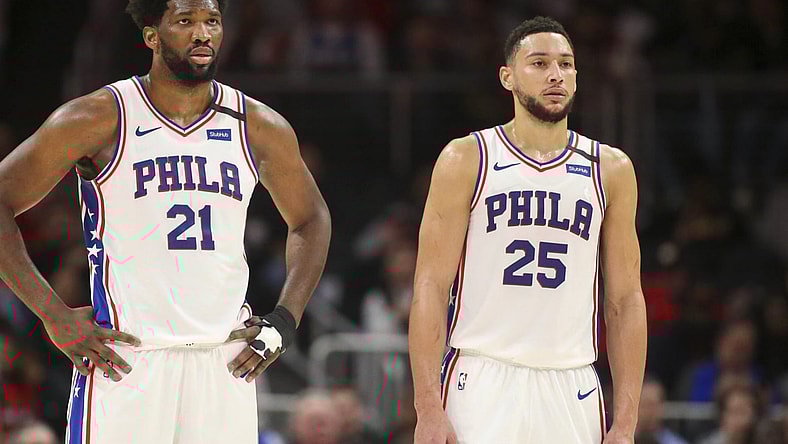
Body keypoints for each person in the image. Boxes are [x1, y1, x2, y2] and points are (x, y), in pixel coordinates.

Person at [0, 0, 331, 443]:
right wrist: (51, 314)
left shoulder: (258, 125)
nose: (203, 34)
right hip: (128, 359)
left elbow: (311, 218)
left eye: (212, 21)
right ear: (151, 35)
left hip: (225, 359)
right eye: (185, 21)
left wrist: (286, 320)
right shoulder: (98, 117)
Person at [408, 16, 647, 443]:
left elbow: (626, 300)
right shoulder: (467, 158)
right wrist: (427, 407)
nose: (556, 74)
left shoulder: (610, 169)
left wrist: (626, 424)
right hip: (481, 375)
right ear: (507, 76)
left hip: (571, 381)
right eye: (539, 63)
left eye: (566, 64)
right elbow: (429, 284)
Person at [635, 377, 688, 444]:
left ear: (662, 406)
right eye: (643, 405)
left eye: (651, 405)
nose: (647, 412)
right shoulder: (620, 439)